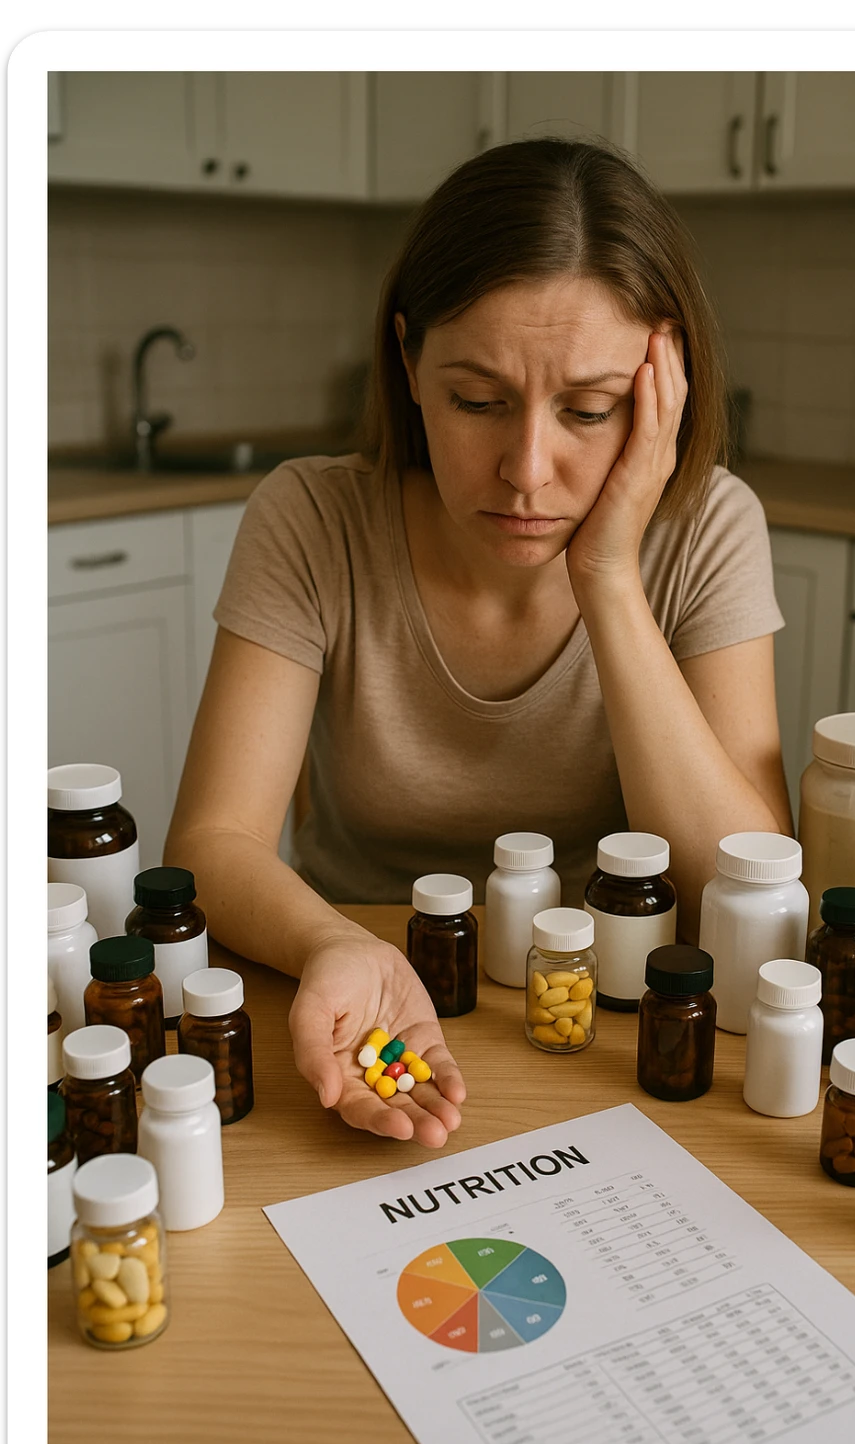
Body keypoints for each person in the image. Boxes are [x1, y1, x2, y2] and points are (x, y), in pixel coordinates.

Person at [165, 135, 792, 1150]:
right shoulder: (311, 518)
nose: (527, 471)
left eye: (589, 410)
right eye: (477, 402)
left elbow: (744, 879)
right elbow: (210, 843)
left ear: (659, 392)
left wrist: (607, 577)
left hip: (607, 1028)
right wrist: (339, 947)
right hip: (357, 999)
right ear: (407, 363)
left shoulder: (709, 527)